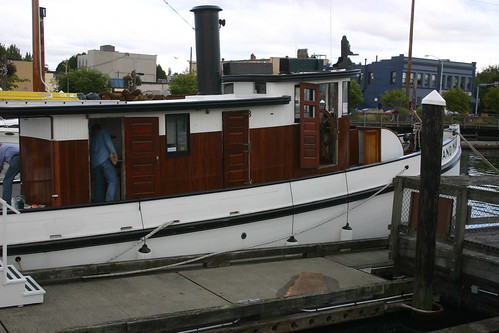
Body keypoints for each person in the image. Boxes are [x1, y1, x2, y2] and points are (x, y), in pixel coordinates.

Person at [90, 124, 118, 202]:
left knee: (99, 185)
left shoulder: (93, 138)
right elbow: (109, 144)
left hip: (95, 164)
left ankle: (98, 203)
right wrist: (115, 156)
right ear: (100, 128)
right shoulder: (103, 132)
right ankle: (109, 201)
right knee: (112, 181)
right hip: (105, 161)